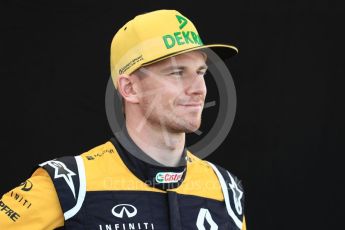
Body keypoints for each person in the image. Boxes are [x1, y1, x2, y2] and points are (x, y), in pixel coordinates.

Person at [0, 9, 246, 230]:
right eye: (177, 73)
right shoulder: (71, 184)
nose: (199, 89)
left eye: (200, 72)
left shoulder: (225, 189)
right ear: (130, 89)